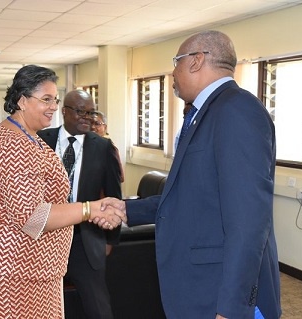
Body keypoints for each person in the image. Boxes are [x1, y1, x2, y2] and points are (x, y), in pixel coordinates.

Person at [101, 30, 281, 319]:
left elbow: (249, 222)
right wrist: (126, 209)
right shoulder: (203, 113)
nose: (173, 72)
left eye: (176, 62)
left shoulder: (236, 110)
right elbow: (189, 195)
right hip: (198, 287)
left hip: (220, 294)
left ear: (196, 61)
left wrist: (232, 310)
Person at [0, 66, 125, 318]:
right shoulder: (15, 145)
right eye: (46, 99)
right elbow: (32, 218)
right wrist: (89, 209)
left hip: (24, 264)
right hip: (8, 268)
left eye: (55, 99)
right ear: (22, 100)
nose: (54, 106)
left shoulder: (24, 134)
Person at [38, 90, 123, 319]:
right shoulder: (41, 141)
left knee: (98, 308)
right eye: (80, 111)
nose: (87, 117)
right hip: (45, 239)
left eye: (90, 112)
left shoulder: (103, 148)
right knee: (43, 306)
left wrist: (110, 240)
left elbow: (114, 196)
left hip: (85, 240)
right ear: (64, 111)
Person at [91, 111, 125, 183]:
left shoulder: (109, 148)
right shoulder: (82, 146)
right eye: (90, 123)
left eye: (97, 124)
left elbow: (120, 177)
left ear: (105, 127)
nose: (93, 127)